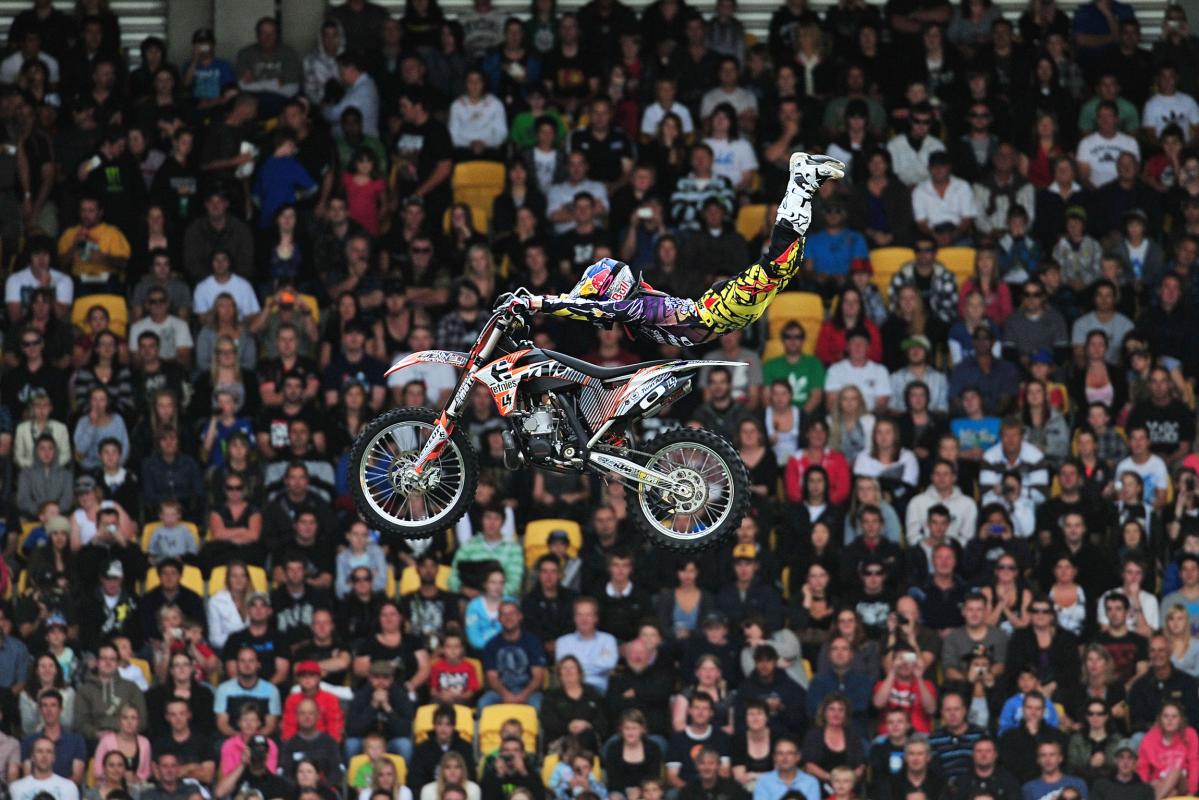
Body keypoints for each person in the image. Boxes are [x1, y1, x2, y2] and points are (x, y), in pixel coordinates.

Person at [516, 153, 845, 346]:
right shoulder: (636, 309)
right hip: (721, 317)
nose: (601, 306)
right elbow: (589, 309)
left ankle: (801, 181)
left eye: (600, 295)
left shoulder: (636, 307)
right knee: (784, 268)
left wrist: (535, 302)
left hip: (716, 311)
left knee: (778, 265)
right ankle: (802, 184)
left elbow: (590, 310)